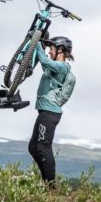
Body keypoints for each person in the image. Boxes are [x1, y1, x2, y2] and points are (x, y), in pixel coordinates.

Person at [28, 35, 75, 186]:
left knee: (43, 147)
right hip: (44, 111)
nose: (49, 52)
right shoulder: (53, 67)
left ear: (60, 50)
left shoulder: (62, 67)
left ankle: (51, 187)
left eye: (51, 49)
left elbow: (45, 61)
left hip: (49, 113)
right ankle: (46, 182)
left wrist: (35, 42)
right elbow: (45, 63)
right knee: (33, 148)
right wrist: (40, 44)